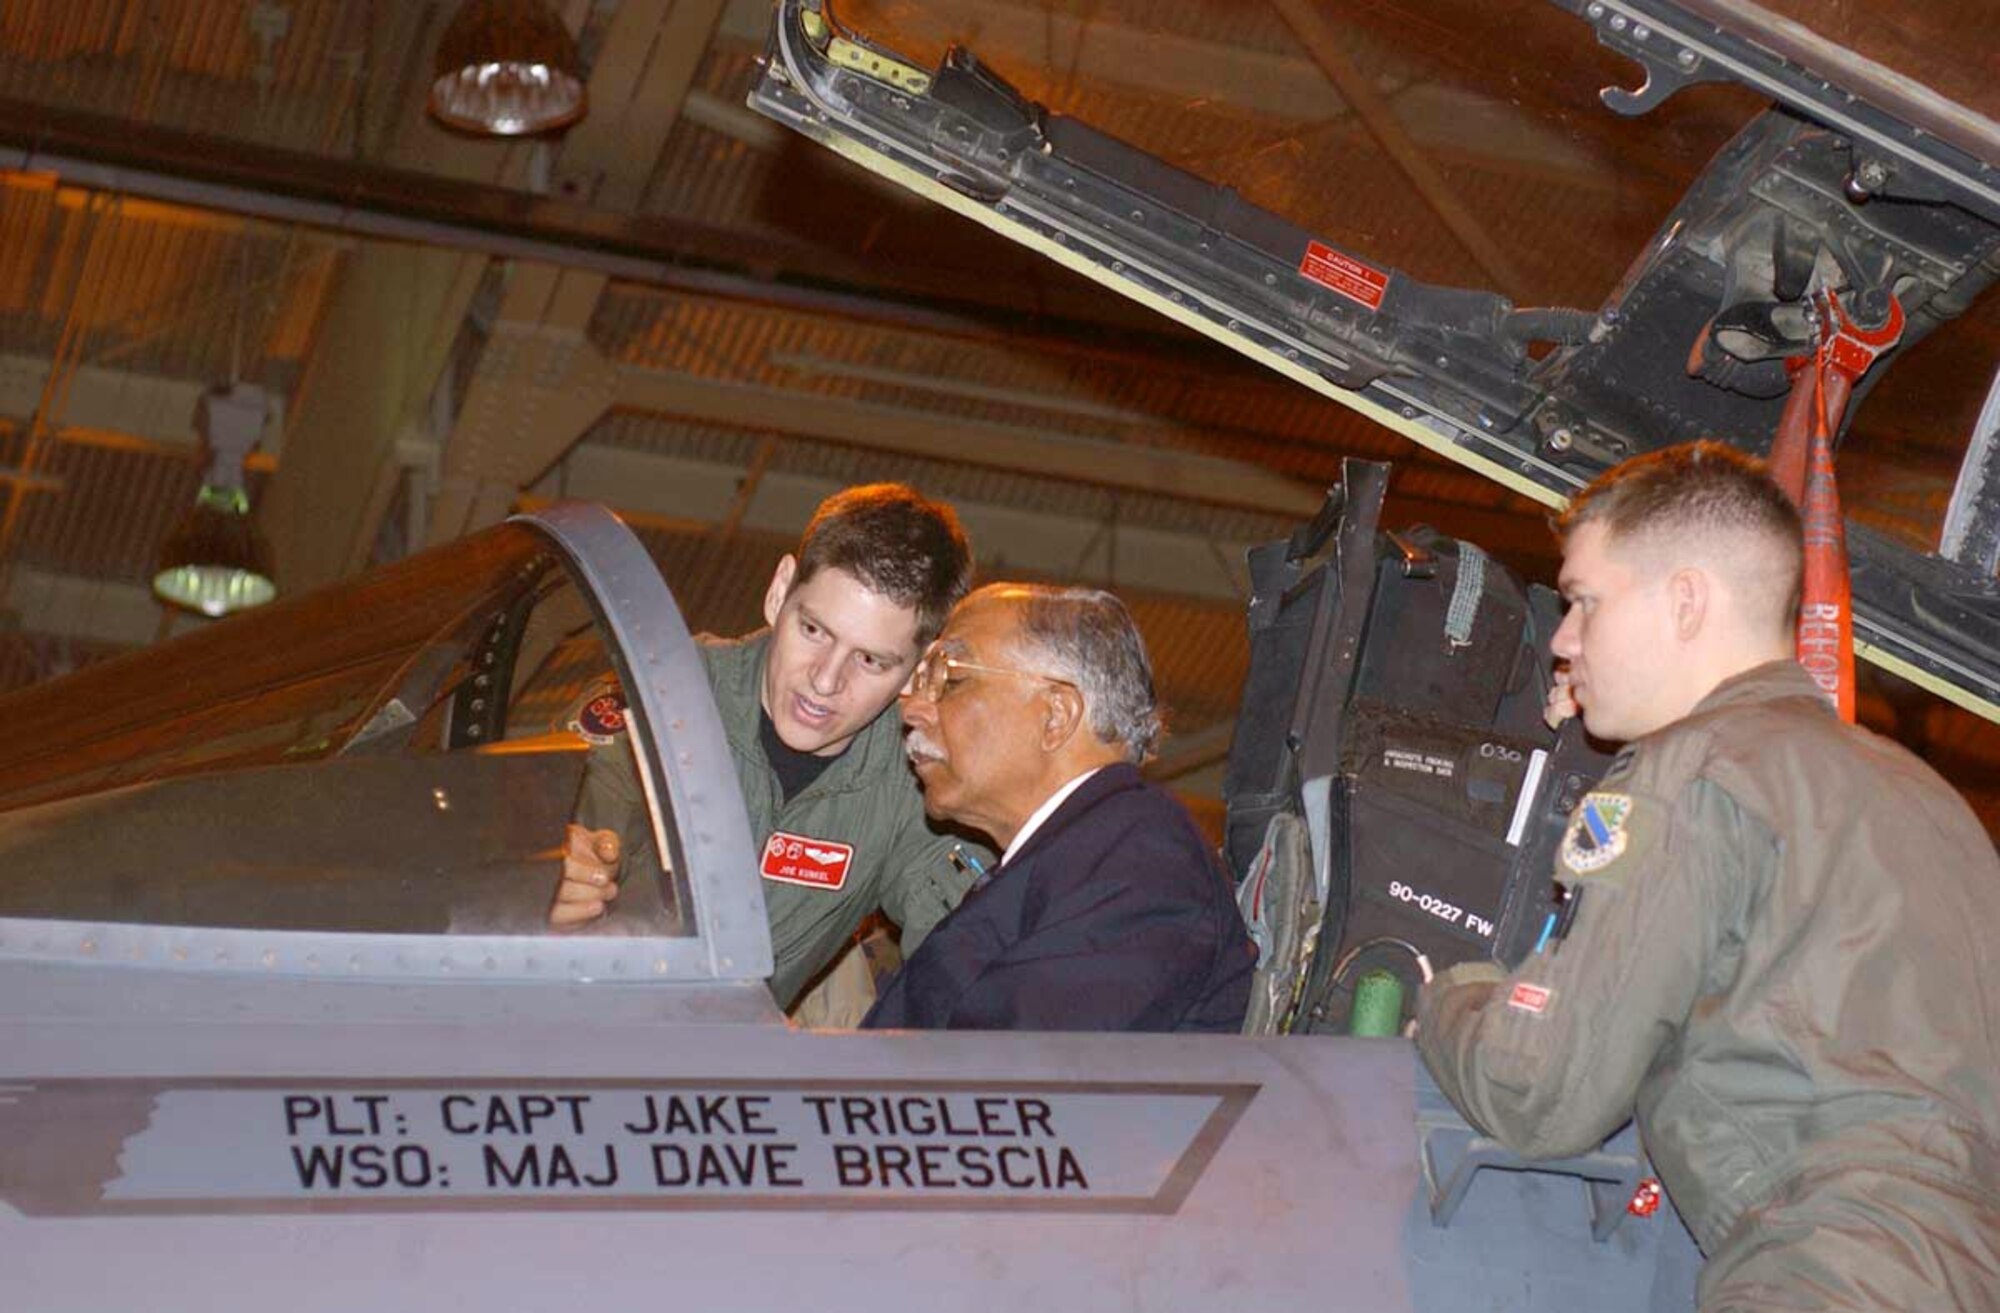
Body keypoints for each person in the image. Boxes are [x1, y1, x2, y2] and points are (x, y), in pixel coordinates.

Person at [1416, 442, 2000, 1311]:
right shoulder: (1932, 803)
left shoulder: (1691, 775)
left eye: (1583, 601)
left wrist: (1450, 996)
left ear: (1685, 601)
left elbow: (1542, 1087)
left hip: (1820, 1277)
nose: (1564, 640)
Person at [550, 483, 987, 1014]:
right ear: (779, 590)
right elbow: (539, 838)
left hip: (725, 1078)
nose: (825, 681)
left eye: (870, 660)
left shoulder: (916, 787)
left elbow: (972, 957)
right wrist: (540, 878)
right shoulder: (655, 699)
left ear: (920, 670)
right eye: (812, 629)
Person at [863, 583, 1253, 1032]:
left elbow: (1010, 1081)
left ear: (1056, 716)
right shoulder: (1083, 861)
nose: (912, 709)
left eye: (950, 679)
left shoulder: (1140, 865)